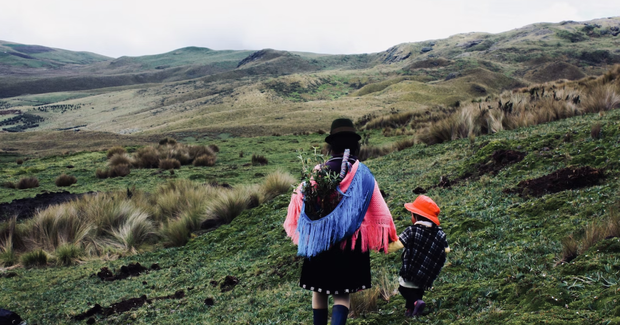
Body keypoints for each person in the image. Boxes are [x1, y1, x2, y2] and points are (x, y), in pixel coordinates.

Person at [284, 118, 398, 325]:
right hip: (350, 243)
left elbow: (300, 196)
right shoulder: (363, 174)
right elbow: (378, 206)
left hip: (320, 241)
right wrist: (389, 235)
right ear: (354, 145)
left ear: (332, 145)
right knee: (341, 294)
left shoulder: (320, 172)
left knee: (319, 291)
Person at [388, 195, 450, 317]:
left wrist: (383, 247)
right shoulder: (439, 233)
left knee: (404, 288)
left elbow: (397, 245)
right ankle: (411, 310)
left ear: (416, 216)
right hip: (427, 274)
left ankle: (416, 302)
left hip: (411, 271)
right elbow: (446, 249)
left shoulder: (412, 230)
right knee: (418, 290)